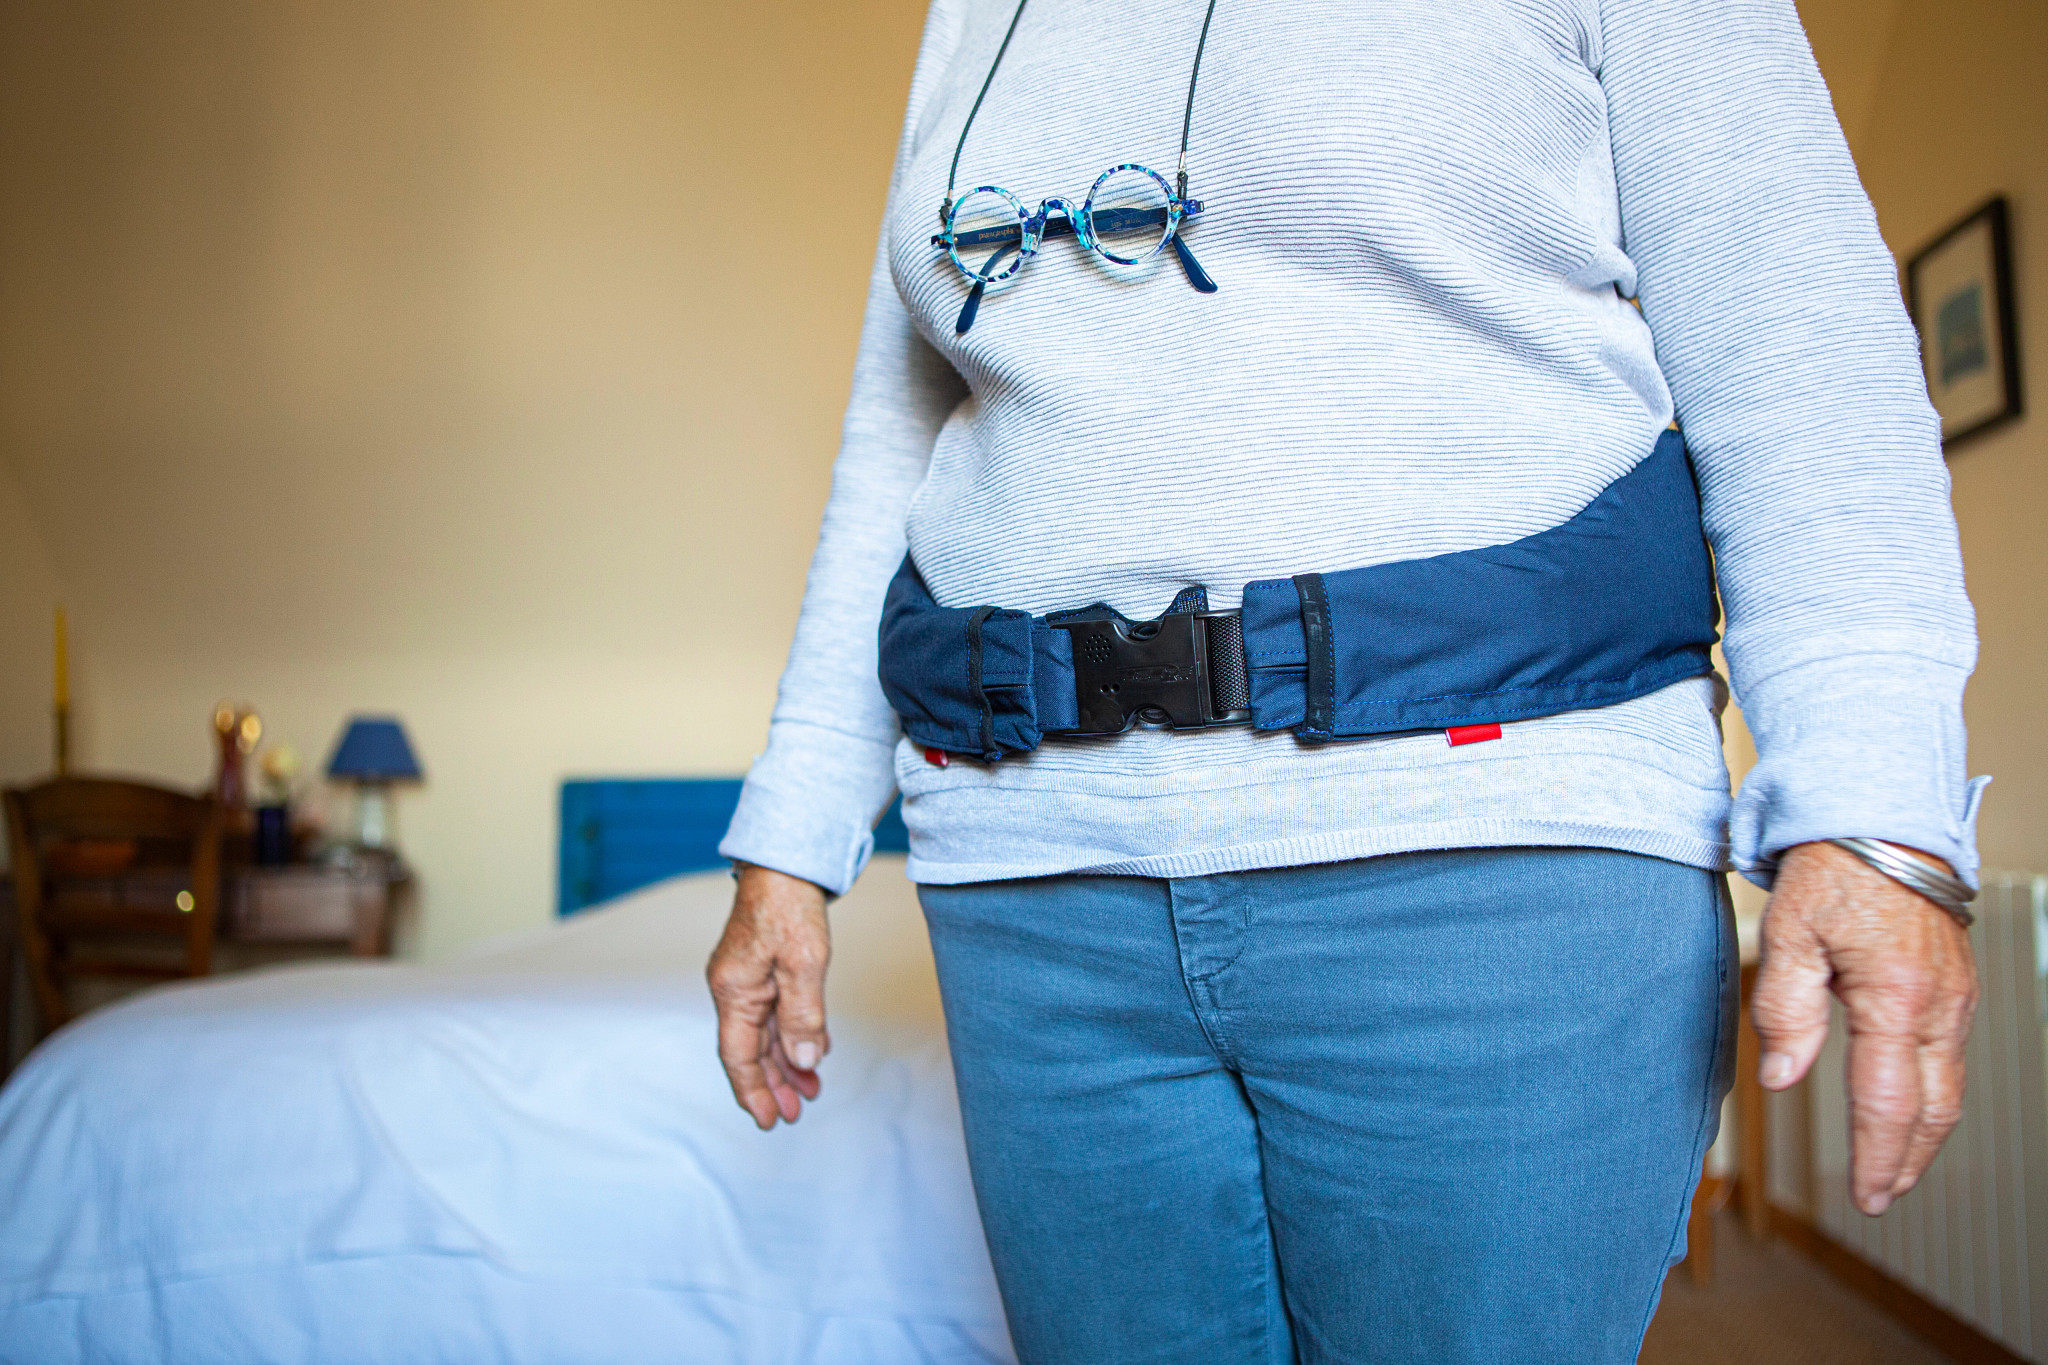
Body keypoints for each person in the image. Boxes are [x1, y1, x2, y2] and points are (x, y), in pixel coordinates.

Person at [707, 0, 1986, 1360]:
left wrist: (1873, 811)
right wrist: (793, 834)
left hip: (1490, 858)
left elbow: (1795, 343)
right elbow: (895, 441)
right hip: (1032, 892)